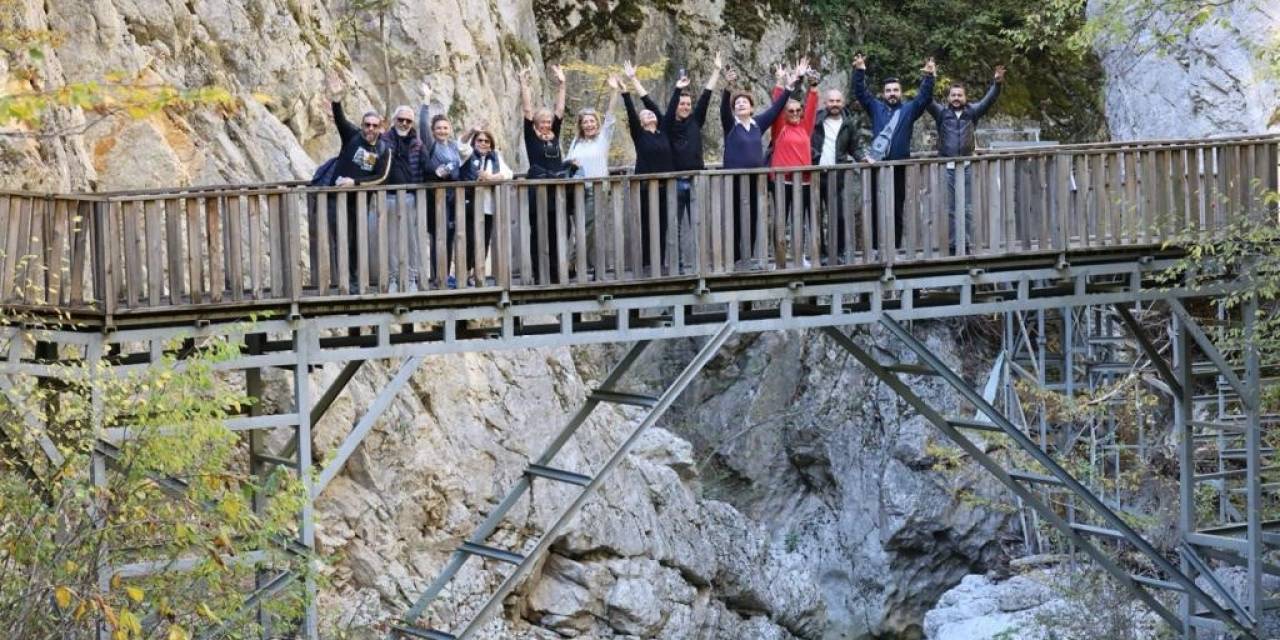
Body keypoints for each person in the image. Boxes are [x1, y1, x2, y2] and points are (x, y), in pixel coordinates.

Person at [720, 59, 808, 264]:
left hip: (755, 180)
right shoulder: (731, 125)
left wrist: (790, 84)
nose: (740, 104)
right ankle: (734, 259)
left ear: (751, 108)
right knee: (735, 218)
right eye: (737, 103)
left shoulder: (757, 124)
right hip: (733, 180)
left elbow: (777, 109)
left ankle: (748, 258)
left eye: (745, 102)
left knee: (751, 218)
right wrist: (727, 88)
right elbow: (724, 108)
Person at [852, 54, 936, 250]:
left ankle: (895, 248)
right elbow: (861, 92)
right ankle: (874, 249)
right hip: (877, 166)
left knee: (897, 209)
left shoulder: (908, 109)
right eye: (888, 90)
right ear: (883, 93)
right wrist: (859, 70)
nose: (892, 93)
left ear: (901, 92)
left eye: (895, 90)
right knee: (874, 209)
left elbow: (924, 97)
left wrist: (930, 76)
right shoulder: (875, 108)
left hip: (898, 168)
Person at [925, 65, 1006, 254]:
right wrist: (929, 77)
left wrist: (997, 83)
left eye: (959, 95)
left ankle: (967, 244)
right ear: (948, 98)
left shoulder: (972, 112)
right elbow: (926, 100)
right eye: (953, 95)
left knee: (967, 207)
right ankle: (953, 245)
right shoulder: (942, 114)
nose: (956, 98)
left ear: (965, 97)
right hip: (948, 165)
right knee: (951, 208)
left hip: (967, 166)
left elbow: (989, 100)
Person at [326, 73, 393, 291]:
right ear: (362, 125)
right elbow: (340, 119)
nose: (370, 129)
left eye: (375, 125)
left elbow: (381, 178)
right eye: (367, 125)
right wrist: (336, 99)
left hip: (360, 202)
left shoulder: (384, 150)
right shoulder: (352, 135)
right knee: (338, 238)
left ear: (381, 128)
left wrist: (353, 183)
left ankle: (354, 280)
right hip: (337, 198)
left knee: (355, 241)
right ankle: (341, 281)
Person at [620, 63, 677, 274]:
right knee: (647, 224)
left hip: (665, 187)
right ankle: (646, 264)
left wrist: (636, 80)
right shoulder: (640, 134)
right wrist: (626, 92)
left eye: (651, 114)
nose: (650, 115)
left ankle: (659, 263)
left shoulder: (663, 132)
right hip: (645, 186)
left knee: (662, 226)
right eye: (646, 116)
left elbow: (663, 109)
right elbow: (632, 115)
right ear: (642, 122)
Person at [667, 52, 723, 261]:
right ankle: (678, 263)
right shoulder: (669, 126)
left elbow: (706, 96)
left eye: (688, 105)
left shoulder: (695, 121)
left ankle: (702, 264)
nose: (686, 107)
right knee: (675, 225)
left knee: (699, 223)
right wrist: (678, 89)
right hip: (674, 181)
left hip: (695, 179)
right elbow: (671, 106)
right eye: (682, 104)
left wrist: (716, 71)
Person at [518, 64, 569, 283]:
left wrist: (562, 84)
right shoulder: (532, 137)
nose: (547, 124)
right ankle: (539, 274)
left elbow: (560, 111)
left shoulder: (554, 135)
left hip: (556, 190)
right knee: (538, 233)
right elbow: (527, 112)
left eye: (548, 122)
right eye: (543, 121)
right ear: (537, 123)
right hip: (537, 189)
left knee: (560, 231)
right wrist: (524, 85)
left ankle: (557, 273)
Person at [564, 79, 620, 275]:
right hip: (576, 190)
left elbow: (611, 116)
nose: (589, 124)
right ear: (581, 125)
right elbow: (567, 162)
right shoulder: (576, 142)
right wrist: (572, 164)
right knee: (585, 228)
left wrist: (614, 91)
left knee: (588, 227)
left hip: (596, 189)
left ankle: (572, 265)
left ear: (597, 123)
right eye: (585, 122)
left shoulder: (603, 138)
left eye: (592, 121)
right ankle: (593, 267)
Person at [768, 61, 819, 265]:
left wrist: (812, 85)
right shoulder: (780, 126)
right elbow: (777, 105)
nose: (796, 114)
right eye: (792, 111)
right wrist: (781, 82)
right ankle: (779, 259)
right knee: (780, 221)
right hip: (782, 181)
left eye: (799, 110)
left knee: (801, 220)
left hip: (804, 181)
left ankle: (801, 256)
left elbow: (813, 105)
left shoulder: (805, 127)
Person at [419, 83, 466, 288]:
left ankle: (446, 275)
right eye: (438, 128)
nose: (442, 131)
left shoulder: (454, 146)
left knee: (450, 237)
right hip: (437, 198)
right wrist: (426, 101)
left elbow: (465, 155)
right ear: (433, 130)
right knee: (439, 236)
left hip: (453, 198)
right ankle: (438, 276)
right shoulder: (431, 144)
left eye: (445, 128)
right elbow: (422, 125)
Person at [458, 124, 513, 285]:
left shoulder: (495, 157)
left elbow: (508, 174)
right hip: (468, 206)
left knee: (483, 241)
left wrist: (491, 178)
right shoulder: (468, 154)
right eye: (480, 140)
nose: (483, 143)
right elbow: (461, 145)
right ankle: (465, 274)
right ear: (475, 142)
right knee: (467, 240)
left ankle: (478, 274)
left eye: (487, 141)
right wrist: (472, 130)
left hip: (487, 207)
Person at [811, 87, 861, 261]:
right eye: (831, 101)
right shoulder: (816, 120)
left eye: (838, 101)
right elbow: (806, 141)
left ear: (843, 103)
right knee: (815, 215)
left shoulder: (849, 123)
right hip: (816, 175)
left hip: (836, 175)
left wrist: (864, 159)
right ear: (825, 103)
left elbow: (854, 148)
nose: (834, 104)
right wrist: (814, 156)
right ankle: (821, 253)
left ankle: (838, 252)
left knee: (838, 215)